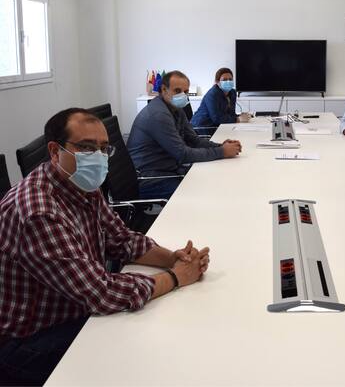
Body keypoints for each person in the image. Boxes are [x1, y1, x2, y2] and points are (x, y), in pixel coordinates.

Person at [0, 108, 210, 385]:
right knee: (147, 356)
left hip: (75, 306)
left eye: (103, 149)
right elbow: (101, 293)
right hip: (31, 341)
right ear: (55, 151)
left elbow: (121, 240)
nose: (97, 157)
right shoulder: (38, 211)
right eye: (86, 147)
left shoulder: (80, 184)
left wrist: (174, 257)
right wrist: (176, 277)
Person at [127, 70, 242, 200]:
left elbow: (193, 140)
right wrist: (222, 151)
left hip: (169, 169)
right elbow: (183, 154)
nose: (183, 95)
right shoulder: (158, 115)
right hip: (150, 178)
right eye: (177, 91)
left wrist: (221, 146)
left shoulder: (176, 109)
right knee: (205, 192)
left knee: (214, 179)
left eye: (186, 92)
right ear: (164, 90)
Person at [191, 67, 251, 135]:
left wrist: (240, 116)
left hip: (218, 126)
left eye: (230, 79)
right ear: (217, 82)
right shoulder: (212, 94)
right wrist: (238, 119)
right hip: (203, 128)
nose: (228, 81)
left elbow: (231, 114)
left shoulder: (233, 92)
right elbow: (217, 118)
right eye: (224, 79)